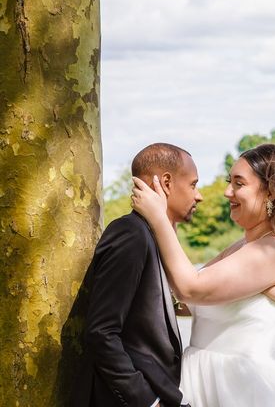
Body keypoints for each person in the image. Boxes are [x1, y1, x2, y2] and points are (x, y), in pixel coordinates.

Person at [131, 143, 275, 406]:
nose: (227, 192)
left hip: (244, 389)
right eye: (229, 181)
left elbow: (191, 288)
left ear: (271, 192)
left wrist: (159, 217)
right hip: (204, 382)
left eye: (239, 183)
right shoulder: (244, 246)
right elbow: (185, 299)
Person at [73, 143, 201, 407]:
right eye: (193, 184)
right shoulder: (130, 234)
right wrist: (148, 401)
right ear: (166, 182)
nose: (198, 196)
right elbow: (102, 332)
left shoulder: (153, 237)